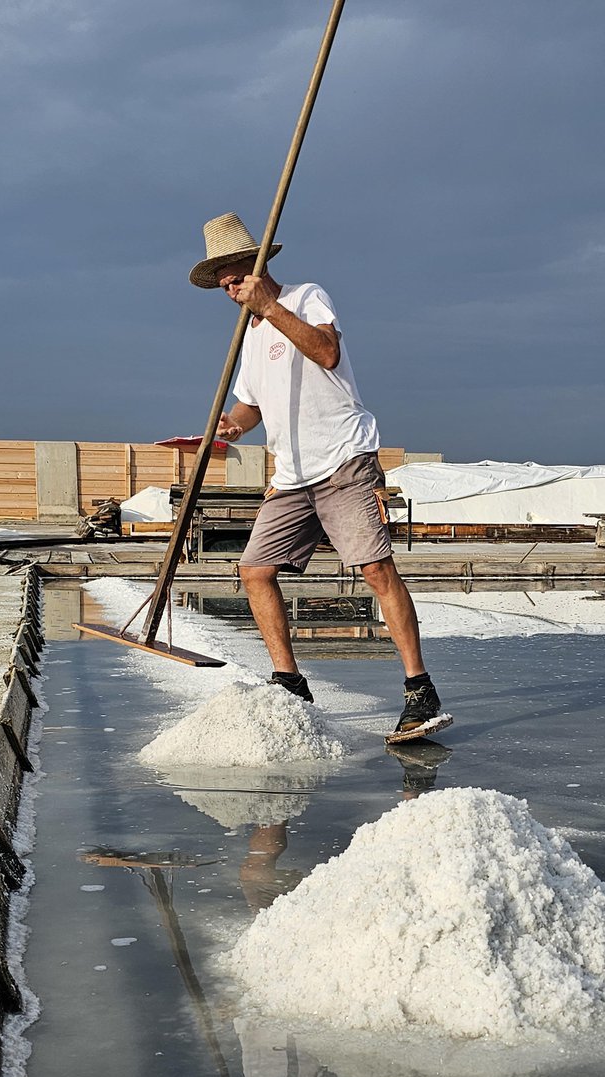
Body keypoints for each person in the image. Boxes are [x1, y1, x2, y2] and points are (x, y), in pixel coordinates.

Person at [189, 212, 449, 738]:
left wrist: (269, 306)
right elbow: (250, 407)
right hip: (292, 475)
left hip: (342, 461)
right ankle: (289, 681)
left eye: (235, 276)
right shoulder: (250, 334)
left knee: (375, 570)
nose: (230, 288)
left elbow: (326, 352)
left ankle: (419, 688)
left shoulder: (305, 298)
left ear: (257, 266)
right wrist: (231, 427)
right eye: (222, 284)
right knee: (255, 570)